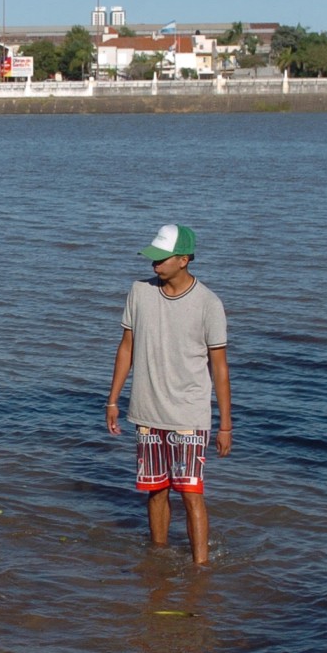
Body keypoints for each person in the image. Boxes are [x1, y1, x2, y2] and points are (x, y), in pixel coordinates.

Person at [106, 224, 233, 566]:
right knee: (155, 490)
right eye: (153, 258)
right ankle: (157, 558)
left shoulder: (208, 304)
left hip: (189, 415)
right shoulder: (139, 292)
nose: (154, 264)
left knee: (191, 493)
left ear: (184, 260)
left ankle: (200, 567)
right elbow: (126, 347)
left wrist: (225, 425)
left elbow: (219, 367)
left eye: (162, 259)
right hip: (146, 412)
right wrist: (113, 399)